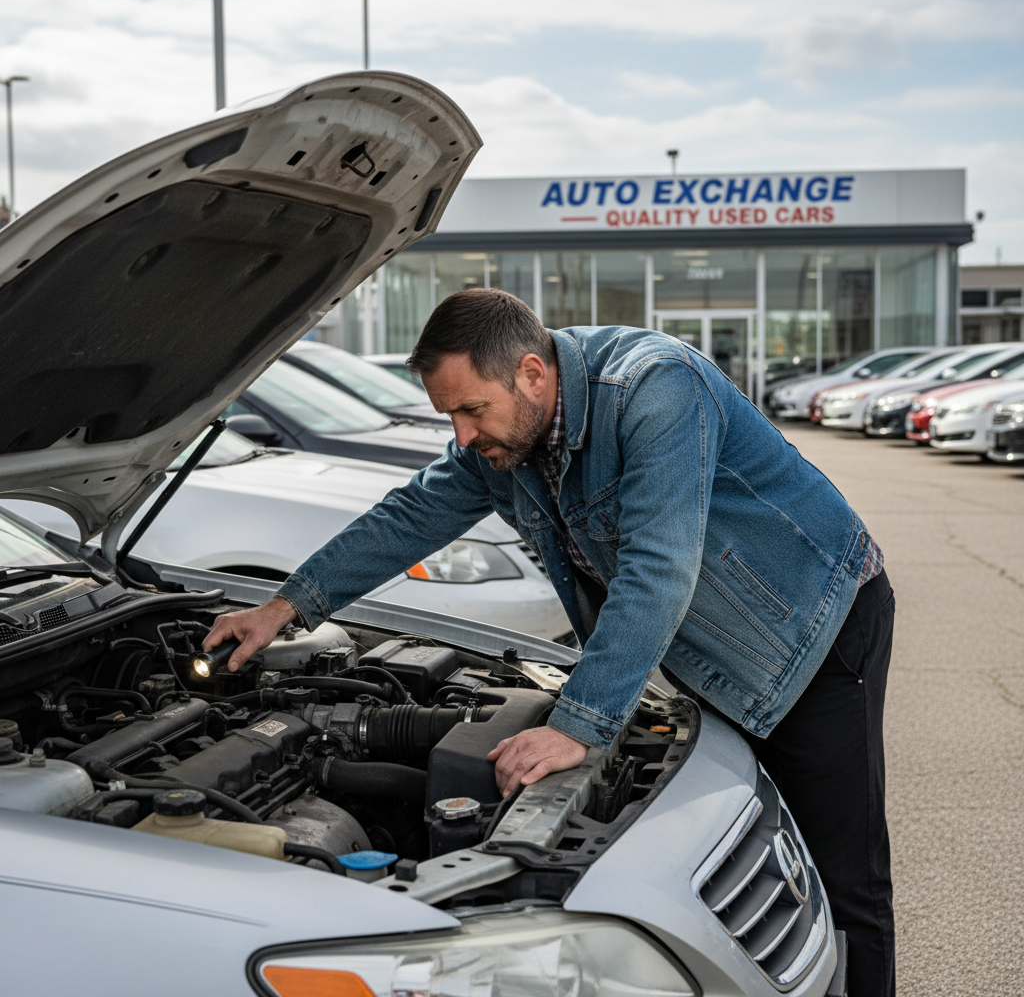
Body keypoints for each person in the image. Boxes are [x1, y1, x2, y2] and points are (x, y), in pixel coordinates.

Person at [203, 288, 894, 994]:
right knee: (738, 860)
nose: (464, 436)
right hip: (703, 644)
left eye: (473, 410)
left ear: (533, 374)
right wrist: (286, 605)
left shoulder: (655, 387)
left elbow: (658, 569)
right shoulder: (505, 437)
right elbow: (408, 517)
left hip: (809, 625)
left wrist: (579, 724)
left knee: (843, 876)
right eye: (451, 416)